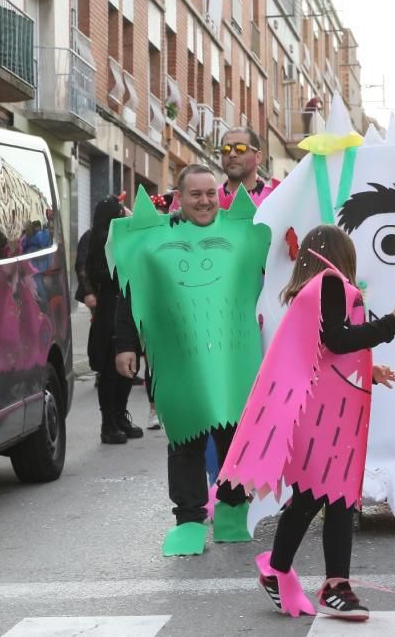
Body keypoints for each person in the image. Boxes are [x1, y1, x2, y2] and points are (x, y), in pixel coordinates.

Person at [218, 225, 395, 621]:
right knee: (334, 496)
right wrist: (392, 325)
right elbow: (337, 339)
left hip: (323, 409)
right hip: (324, 416)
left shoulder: (312, 291)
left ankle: (287, 572)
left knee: (317, 496)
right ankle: (332, 584)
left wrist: (368, 367)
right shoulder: (331, 283)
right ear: (340, 256)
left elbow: (325, 347)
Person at [114, 164, 266, 547]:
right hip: (179, 361)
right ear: (179, 198)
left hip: (232, 361)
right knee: (185, 439)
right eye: (195, 195)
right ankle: (189, 519)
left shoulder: (240, 236)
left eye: (210, 194)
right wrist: (125, 344)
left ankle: (233, 512)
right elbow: (131, 293)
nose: (204, 201)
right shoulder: (155, 241)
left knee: (234, 438)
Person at [86, 197, 142, 444]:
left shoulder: (125, 237)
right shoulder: (98, 241)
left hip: (127, 304)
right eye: (120, 210)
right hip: (110, 308)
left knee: (129, 368)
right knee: (111, 369)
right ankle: (108, 422)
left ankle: (120, 415)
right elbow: (97, 274)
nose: (125, 212)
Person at [218, 127, 279, 210]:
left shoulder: (274, 199)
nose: (232, 154)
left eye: (240, 148)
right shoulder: (210, 200)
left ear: (258, 157)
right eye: (226, 149)